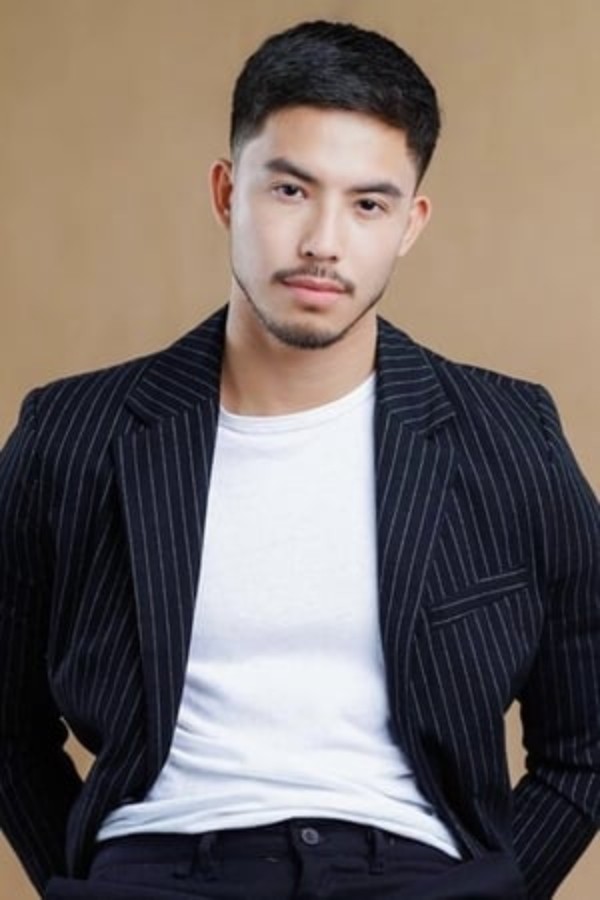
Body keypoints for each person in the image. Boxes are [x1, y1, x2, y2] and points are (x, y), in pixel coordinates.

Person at [0, 19, 598, 900]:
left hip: (415, 870)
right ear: (226, 192)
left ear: (410, 224)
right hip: (160, 864)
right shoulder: (73, 434)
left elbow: (585, 742)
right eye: (289, 189)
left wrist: (499, 889)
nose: (324, 240)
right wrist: (84, 879)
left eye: (368, 204)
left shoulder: (507, 437)